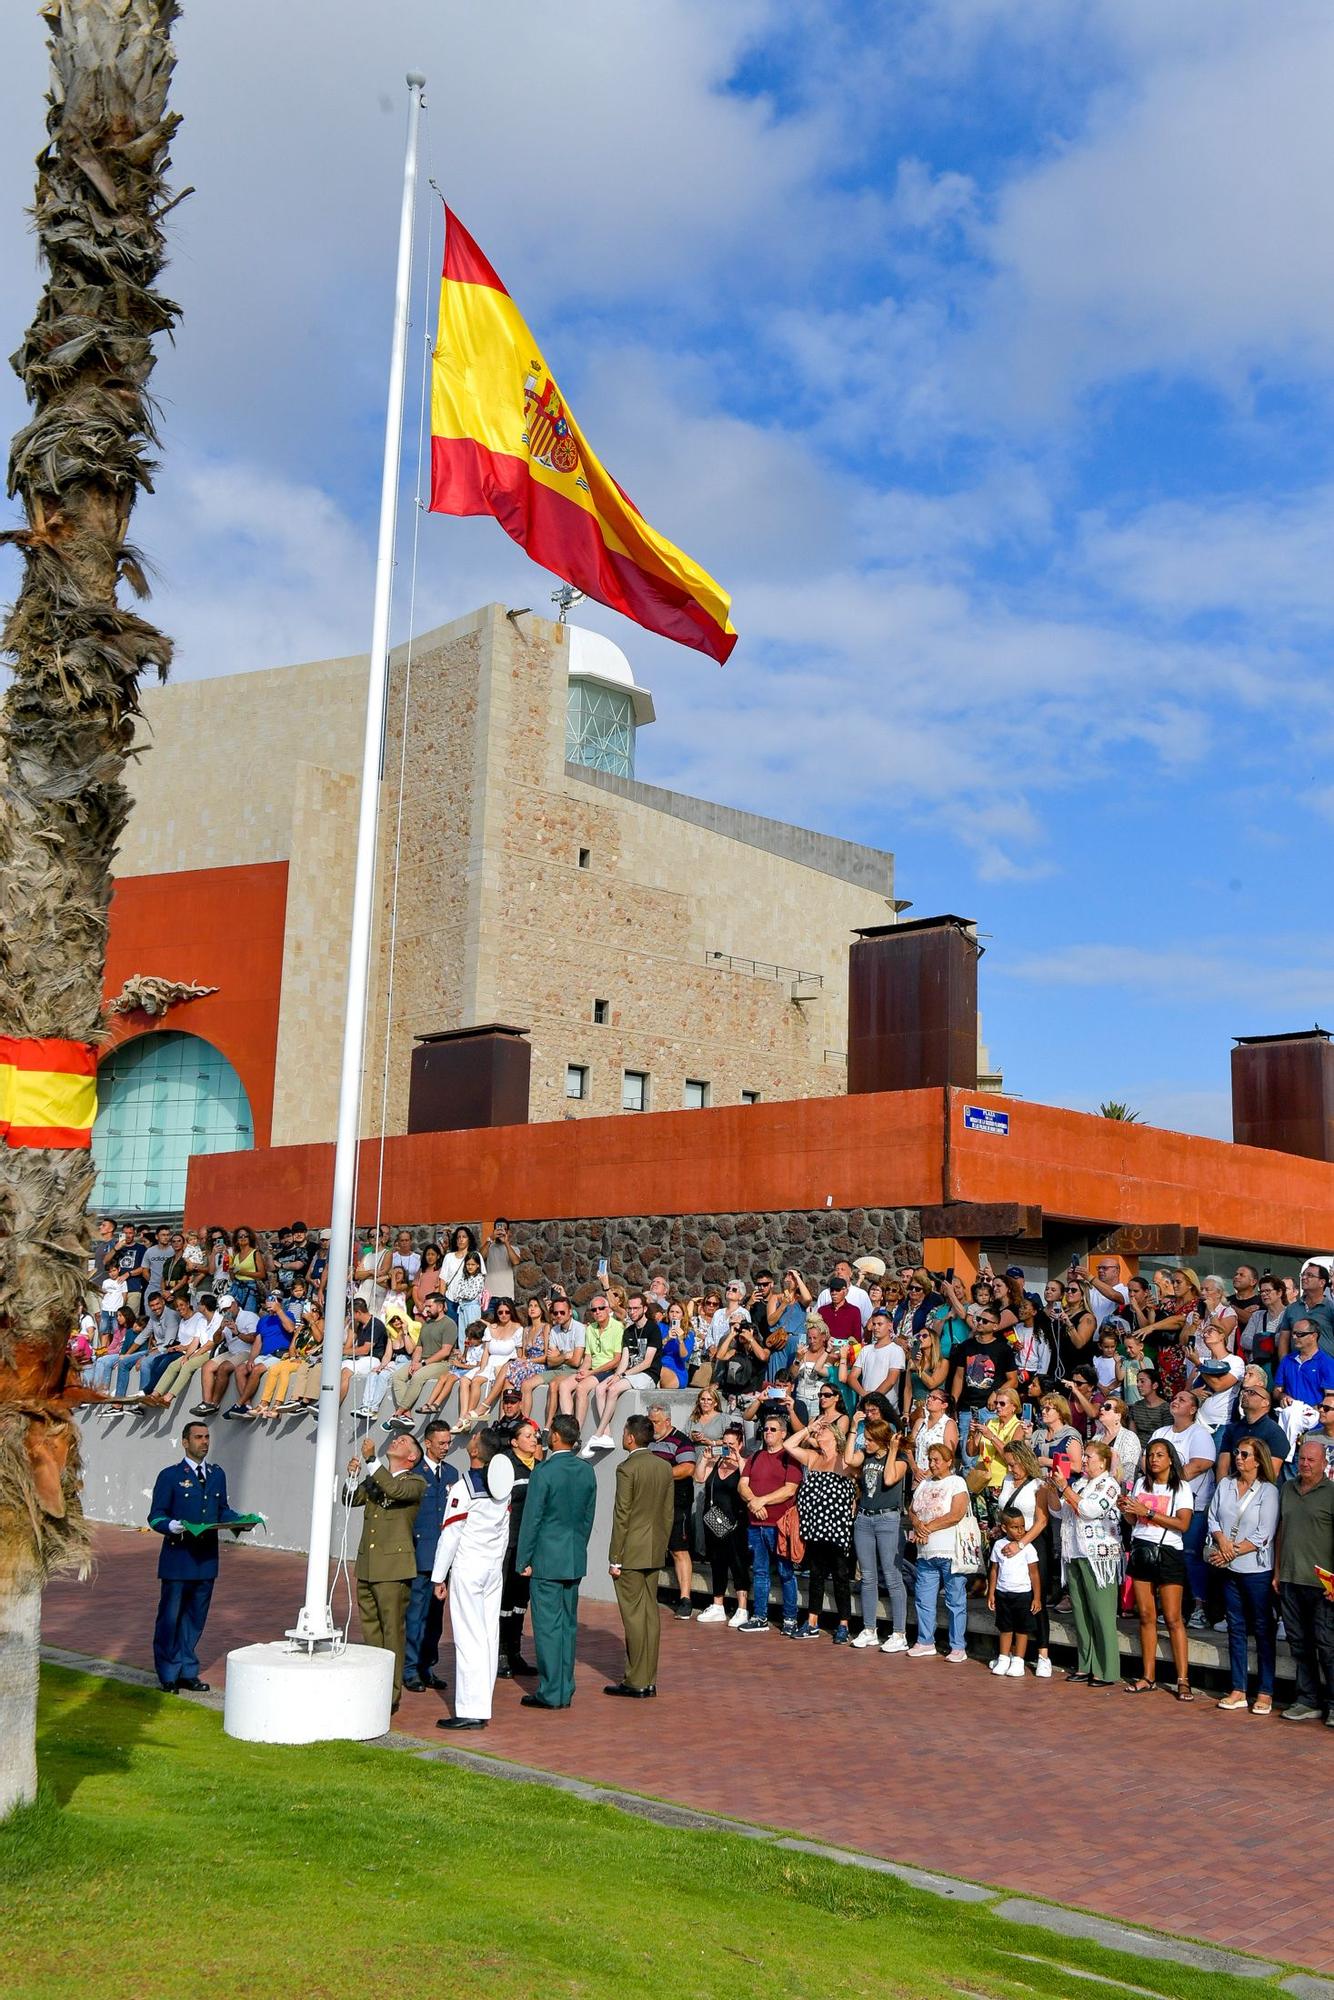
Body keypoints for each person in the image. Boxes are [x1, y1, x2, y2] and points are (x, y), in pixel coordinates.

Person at [147, 1422, 254, 1692]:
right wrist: (171, 1525)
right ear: (185, 1442)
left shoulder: (217, 1475)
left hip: (205, 1559)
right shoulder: (170, 1476)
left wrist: (242, 1521)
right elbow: (156, 1515)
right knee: (170, 1618)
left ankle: (187, 1670)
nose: (204, 1442)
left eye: (207, 1437)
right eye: (198, 1437)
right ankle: (168, 1673)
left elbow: (222, 1511)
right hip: (178, 1558)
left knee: (195, 1619)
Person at [432, 1427, 516, 1730]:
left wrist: (438, 1576)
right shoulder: (502, 1486)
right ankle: (483, 1703)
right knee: (488, 1635)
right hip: (493, 1568)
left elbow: (451, 1536)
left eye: (475, 1439)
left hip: (469, 1568)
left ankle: (470, 1708)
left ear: (476, 1451)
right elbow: (504, 1531)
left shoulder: (463, 1487)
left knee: (469, 1638)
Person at [516, 1412, 598, 1709]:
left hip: (547, 1559)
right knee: (567, 1626)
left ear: (555, 1437)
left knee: (548, 1626)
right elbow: (588, 1518)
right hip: (573, 1556)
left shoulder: (545, 1472)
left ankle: (552, 1691)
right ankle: (565, 1686)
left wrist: (523, 1558)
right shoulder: (586, 1471)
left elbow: (532, 1519)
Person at [344, 1431, 426, 1710]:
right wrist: (352, 1476)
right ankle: (373, 1685)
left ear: (412, 1457)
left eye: (404, 1442)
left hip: (393, 1568)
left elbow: (395, 1490)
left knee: (392, 1631)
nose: (396, 1441)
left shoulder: (415, 1481)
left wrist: (371, 1460)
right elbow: (350, 1500)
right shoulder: (377, 1478)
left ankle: (390, 1694)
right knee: (370, 1630)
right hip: (368, 1564)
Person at [1207, 1437, 1279, 1716]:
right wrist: (1222, 1543)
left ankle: (1265, 1690)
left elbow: (1264, 1534)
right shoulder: (1225, 1484)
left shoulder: (1268, 1491)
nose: (1238, 1457)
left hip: (1256, 1570)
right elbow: (1213, 1517)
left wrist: (1230, 1552)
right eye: (1237, 1452)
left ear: (1258, 1460)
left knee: (1262, 1629)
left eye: (1245, 1454)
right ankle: (1238, 1689)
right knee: (1236, 1628)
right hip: (1229, 1569)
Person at [605, 1414, 674, 1697]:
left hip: (631, 1551)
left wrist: (615, 1556)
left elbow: (622, 1514)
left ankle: (636, 1680)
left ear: (631, 1437)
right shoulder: (663, 1466)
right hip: (654, 1548)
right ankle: (648, 1677)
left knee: (633, 1616)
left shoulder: (626, 1469)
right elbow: (668, 1513)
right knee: (649, 1615)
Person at [1121, 1437, 1194, 1700]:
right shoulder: (1141, 1483)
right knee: (1146, 1616)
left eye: (1160, 1455)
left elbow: (1183, 1524)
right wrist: (1127, 1509)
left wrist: (1148, 1511)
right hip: (1142, 1549)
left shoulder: (1181, 1488)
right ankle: (1148, 1676)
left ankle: (1183, 1679)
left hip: (1168, 1552)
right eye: (1151, 1455)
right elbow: (1133, 1520)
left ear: (1170, 1459)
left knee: (1173, 1618)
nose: (1154, 1459)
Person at [1049, 1435, 1123, 1689]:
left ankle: (1107, 1669)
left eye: (1089, 1456)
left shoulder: (1110, 1485)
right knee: (1081, 1613)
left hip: (1099, 1556)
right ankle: (1086, 1664)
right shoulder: (1080, 1483)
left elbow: (1090, 1510)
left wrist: (1065, 1489)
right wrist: (1052, 1487)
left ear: (1102, 1463)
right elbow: (1059, 1510)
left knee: (1102, 1614)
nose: (1084, 1460)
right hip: (1075, 1553)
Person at [1275, 1434, 1334, 1723]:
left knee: (1328, 1645)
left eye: (1312, 1460)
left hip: (1323, 1585)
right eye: (1302, 1459)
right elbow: (1281, 1531)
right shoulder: (1287, 1488)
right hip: (1290, 1578)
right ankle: (1307, 1699)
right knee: (1299, 1644)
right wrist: (1277, 1572)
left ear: (1324, 1464)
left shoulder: (1332, 1493)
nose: (1306, 1464)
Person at [844, 1398, 910, 1652]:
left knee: (892, 1576)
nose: (866, 1443)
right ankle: (869, 1628)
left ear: (881, 1440)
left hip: (887, 1519)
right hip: (864, 1518)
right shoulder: (866, 1455)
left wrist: (892, 1451)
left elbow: (891, 1478)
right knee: (868, 1576)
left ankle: (899, 1632)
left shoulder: (900, 1458)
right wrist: (853, 1428)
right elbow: (849, 1459)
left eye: (870, 1439)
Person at [785, 1408, 856, 1643]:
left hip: (836, 1527)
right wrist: (808, 1429)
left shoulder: (844, 1460)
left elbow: (859, 1479)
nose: (819, 1432)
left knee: (840, 1574)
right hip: (814, 1525)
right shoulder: (813, 1458)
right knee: (815, 1573)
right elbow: (788, 1446)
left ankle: (843, 1623)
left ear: (834, 1436)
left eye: (823, 1430)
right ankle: (812, 1621)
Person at [1150, 1389, 1217, 1625]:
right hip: (1161, 1507)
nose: (1175, 1400)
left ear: (1193, 1409)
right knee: (1166, 1557)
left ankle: (1199, 1607)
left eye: (1182, 1399)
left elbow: (1201, 1463)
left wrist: (1168, 1479)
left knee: (1191, 1557)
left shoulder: (1199, 1433)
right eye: (1175, 1398)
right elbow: (1148, 1461)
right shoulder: (1161, 1432)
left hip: (1193, 1506)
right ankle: (1170, 1606)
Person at [402, 1419, 458, 1695]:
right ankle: (410, 1669)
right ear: (427, 1443)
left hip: (443, 1558)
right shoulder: (416, 1472)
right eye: (441, 1443)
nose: (446, 1447)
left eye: (448, 1443)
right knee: (415, 1615)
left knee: (435, 1617)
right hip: (421, 1554)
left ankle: (427, 1665)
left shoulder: (451, 1473)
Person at [736, 1412, 804, 1635]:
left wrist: (760, 1501)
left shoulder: (790, 1457)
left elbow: (790, 1489)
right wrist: (754, 1503)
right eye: (765, 1429)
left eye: (773, 1429)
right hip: (756, 1524)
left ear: (784, 1434)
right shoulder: (755, 1457)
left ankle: (790, 1619)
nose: (768, 1433)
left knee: (785, 1573)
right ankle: (759, 1616)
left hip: (780, 1525)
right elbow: (742, 1485)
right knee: (760, 1572)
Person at [906, 1440, 971, 1661]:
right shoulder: (924, 1484)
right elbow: (912, 1509)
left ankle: (958, 1646)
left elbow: (956, 1513)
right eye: (930, 1460)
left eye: (937, 1460)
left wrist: (927, 1528)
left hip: (950, 1551)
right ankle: (925, 1640)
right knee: (923, 1599)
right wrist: (917, 1524)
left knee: (955, 1600)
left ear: (948, 1462)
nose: (932, 1464)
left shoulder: (956, 1482)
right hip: (925, 1552)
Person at [694, 1423, 751, 1626]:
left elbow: (749, 1482)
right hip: (713, 1520)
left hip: (736, 1522)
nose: (727, 1448)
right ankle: (718, 1604)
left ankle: (742, 1608)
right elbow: (699, 1477)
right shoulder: (716, 1462)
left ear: (740, 1444)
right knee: (717, 1561)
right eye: (724, 1444)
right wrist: (705, 1457)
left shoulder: (744, 1462)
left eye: (731, 1444)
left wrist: (738, 1459)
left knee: (737, 1563)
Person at [497, 1416, 542, 1678]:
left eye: (534, 1435)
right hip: (510, 1544)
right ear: (514, 1442)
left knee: (520, 1602)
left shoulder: (539, 1468)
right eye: (527, 1435)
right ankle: (501, 1653)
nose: (533, 1439)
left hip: (530, 1545)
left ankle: (515, 1653)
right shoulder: (506, 1467)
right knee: (504, 1600)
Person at [646, 1399, 698, 1619]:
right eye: (650, 1422)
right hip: (651, 1504)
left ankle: (685, 1598)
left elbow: (687, 1468)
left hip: (676, 1504)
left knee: (678, 1550)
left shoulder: (681, 1441)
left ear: (667, 1420)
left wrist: (661, 1473)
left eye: (656, 1422)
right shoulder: (647, 1441)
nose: (652, 1427)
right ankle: (648, 1594)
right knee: (651, 1549)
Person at [986, 1505, 1041, 1677]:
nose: (1020, 1531)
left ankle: (1018, 1660)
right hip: (1003, 1593)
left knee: (1022, 1629)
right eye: (1015, 1527)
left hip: (1023, 1595)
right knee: (1005, 1627)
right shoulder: (998, 1546)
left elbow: (1034, 1574)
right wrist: (991, 1593)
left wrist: (1037, 1597)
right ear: (1004, 1527)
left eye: (1022, 1526)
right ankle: (1003, 1658)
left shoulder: (1028, 1548)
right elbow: (994, 1570)